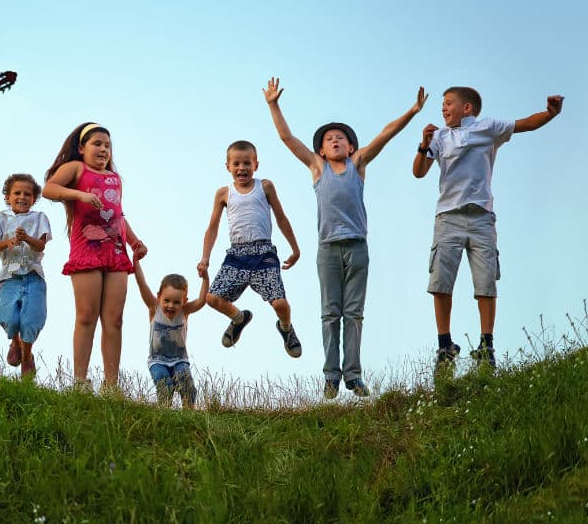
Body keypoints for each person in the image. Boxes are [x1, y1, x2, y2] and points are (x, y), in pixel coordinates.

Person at [264, 77, 427, 398]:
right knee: (330, 313)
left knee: (353, 314)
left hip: (357, 248)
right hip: (328, 250)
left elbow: (386, 133)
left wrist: (413, 111)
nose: (335, 140)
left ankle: (353, 376)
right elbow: (286, 137)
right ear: (321, 150)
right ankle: (330, 377)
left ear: (351, 146)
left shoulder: (358, 163)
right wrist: (273, 104)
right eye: (329, 139)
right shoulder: (316, 167)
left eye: (341, 137)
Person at [413, 87, 564, 369]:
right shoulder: (440, 136)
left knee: (485, 282)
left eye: (448, 104)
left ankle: (487, 345)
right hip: (448, 217)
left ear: (467, 108)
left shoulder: (488, 127)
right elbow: (419, 171)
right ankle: (445, 345)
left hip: (482, 218)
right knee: (441, 282)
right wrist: (424, 143)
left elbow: (526, 124)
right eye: (442, 105)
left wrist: (550, 114)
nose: (443, 109)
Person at [43, 122, 147, 390]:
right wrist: (80, 195)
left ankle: (111, 386)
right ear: (81, 148)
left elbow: (118, 214)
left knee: (114, 319)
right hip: (86, 249)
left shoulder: (115, 179)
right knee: (87, 314)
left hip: (115, 251)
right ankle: (80, 380)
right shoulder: (77, 169)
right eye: (97, 144)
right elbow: (49, 189)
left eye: (107, 145)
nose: (103, 149)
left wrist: (134, 241)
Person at [198, 140, 301, 360]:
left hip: (264, 253)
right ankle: (238, 318)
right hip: (236, 255)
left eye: (247, 163)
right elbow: (213, 227)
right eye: (236, 163)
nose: (241, 168)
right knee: (212, 298)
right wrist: (205, 258)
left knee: (281, 304)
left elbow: (281, 218)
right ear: (228, 166)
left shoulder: (265, 186)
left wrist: (295, 248)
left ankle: (286, 328)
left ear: (256, 165)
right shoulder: (223, 194)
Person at [0, 174, 52, 377]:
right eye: (17, 193)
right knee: (8, 317)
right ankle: (15, 343)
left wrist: (27, 238)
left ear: (34, 199)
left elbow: (41, 244)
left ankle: (27, 356)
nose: (22, 197)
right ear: (7, 197)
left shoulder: (39, 217)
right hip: (9, 277)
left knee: (30, 319)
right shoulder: (0, 220)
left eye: (27, 194)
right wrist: (8, 242)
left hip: (33, 275)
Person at [132, 255, 208, 409]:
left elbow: (201, 300)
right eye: (166, 300)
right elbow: (142, 284)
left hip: (179, 360)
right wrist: (136, 262)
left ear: (184, 301)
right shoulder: (154, 308)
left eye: (176, 302)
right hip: (157, 360)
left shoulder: (184, 312)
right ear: (159, 297)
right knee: (164, 382)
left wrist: (205, 278)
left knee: (185, 381)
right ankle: (164, 411)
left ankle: (189, 414)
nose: (171, 306)